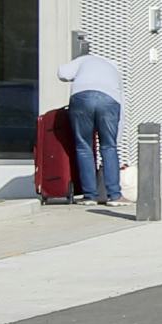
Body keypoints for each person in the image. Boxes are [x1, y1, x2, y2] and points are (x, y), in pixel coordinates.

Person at [57, 31, 125, 211]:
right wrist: (117, 137)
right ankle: (114, 195)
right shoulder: (114, 69)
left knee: (83, 147)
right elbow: (121, 106)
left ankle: (89, 196)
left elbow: (62, 73)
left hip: (82, 96)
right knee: (109, 147)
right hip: (109, 98)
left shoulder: (84, 60)